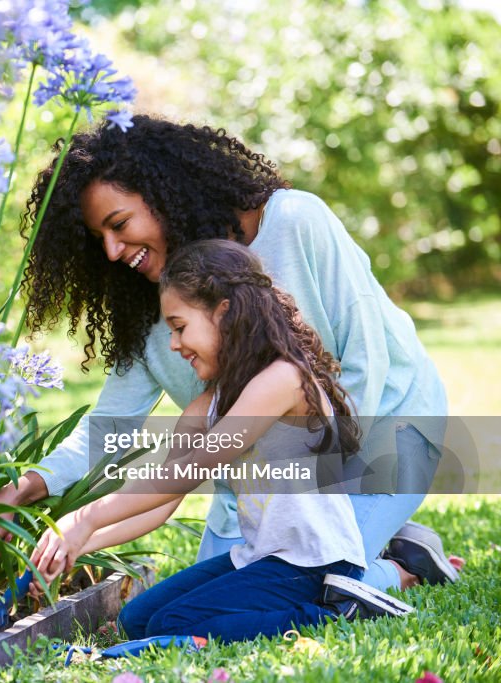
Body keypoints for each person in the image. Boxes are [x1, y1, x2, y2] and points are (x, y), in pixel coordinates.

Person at [0, 116, 457, 592]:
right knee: (213, 592)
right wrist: (28, 486)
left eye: (119, 224)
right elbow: (111, 427)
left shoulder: (293, 222)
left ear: (163, 193)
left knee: (304, 584)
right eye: (98, 238)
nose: (110, 250)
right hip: (261, 484)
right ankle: (387, 543)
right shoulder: (151, 309)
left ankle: (400, 568)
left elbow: (366, 363)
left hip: (385, 435)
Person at [30, 239, 414, 641]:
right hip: (260, 558)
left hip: (315, 564)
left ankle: (344, 612)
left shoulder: (283, 380)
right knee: (137, 621)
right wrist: (79, 544)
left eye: (179, 327)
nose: (174, 344)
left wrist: (84, 517)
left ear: (224, 314)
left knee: (171, 625)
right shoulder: (206, 406)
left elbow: (190, 472)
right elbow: (162, 500)